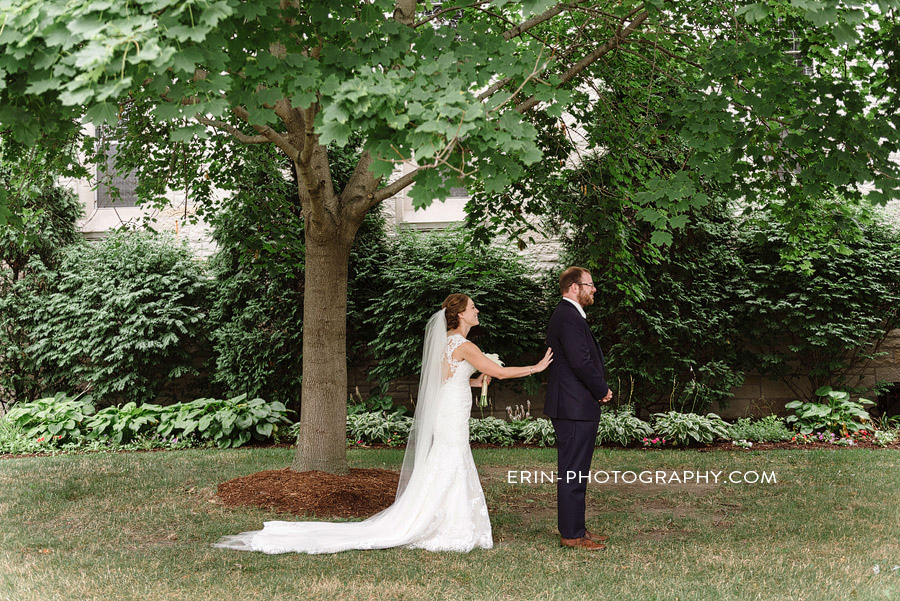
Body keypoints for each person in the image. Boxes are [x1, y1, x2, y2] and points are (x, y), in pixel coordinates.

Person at [213, 293, 553, 554]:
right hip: (451, 415)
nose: (477, 311)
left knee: (448, 461)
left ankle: (448, 519)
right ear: (460, 313)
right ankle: (445, 524)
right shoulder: (464, 345)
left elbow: (447, 380)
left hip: (449, 409)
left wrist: (476, 383)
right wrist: (535, 368)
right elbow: (500, 371)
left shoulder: (448, 344)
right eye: (473, 308)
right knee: (451, 460)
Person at [544, 266, 612, 551]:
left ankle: (577, 528)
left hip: (576, 407)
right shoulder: (568, 317)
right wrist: (601, 390)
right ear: (574, 287)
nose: (594, 289)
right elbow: (581, 361)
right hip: (573, 408)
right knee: (572, 472)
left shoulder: (570, 316)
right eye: (590, 284)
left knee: (577, 472)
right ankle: (572, 535)